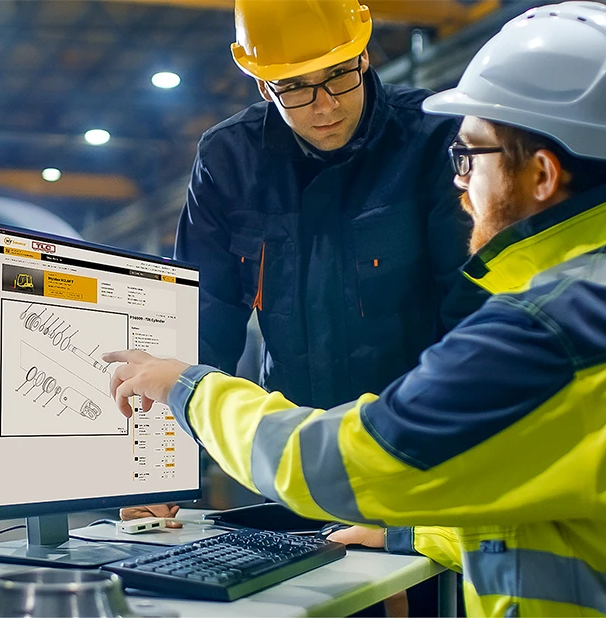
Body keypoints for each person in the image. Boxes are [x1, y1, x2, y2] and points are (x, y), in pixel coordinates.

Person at [103, 2, 606, 616]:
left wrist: (187, 388)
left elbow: (343, 463)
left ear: (541, 174)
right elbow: (578, 502)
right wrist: (420, 532)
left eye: (472, 157)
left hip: (370, 459)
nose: (459, 183)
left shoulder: (547, 333)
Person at [124, 0, 469, 534]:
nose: (324, 105)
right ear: (264, 85)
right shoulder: (229, 159)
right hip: (291, 455)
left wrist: (430, 484)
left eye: (338, 76)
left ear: (364, 55)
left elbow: (468, 313)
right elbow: (201, 318)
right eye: (296, 87)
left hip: (417, 445)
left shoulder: (433, 138)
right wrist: (165, 472)